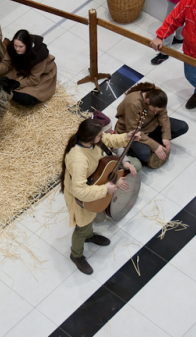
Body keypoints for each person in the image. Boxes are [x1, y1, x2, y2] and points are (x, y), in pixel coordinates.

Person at [61, 118, 139, 275]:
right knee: (81, 226)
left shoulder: (91, 141)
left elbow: (108, 139)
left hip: (94, 184)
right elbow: (80, 191)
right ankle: (76, 255)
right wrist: (105, 189)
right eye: (99, 135)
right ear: (90, 138)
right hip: (81, 197)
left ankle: (89, 235)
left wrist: (125, 137)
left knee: (90, 219)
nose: (102, 136)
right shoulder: (78, 160)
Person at [114, 83, 189, 168]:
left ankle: (151, 140)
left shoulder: (158, 94)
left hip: (150, 125)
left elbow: (163, 115)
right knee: (145, 154)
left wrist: (166, 136)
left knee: (183, 126)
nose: (156, 112)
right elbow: (133, 131)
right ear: (148, 101)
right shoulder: (133, 102)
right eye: (154, 110)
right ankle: (131, 150)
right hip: (131, 132)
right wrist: (155, 146)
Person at [0, 30, 56, 106]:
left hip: (40, 75)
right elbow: (6, 63)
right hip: (20, 70)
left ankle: (11, 91)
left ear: (27, 45)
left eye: (21, 47)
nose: (17, 49)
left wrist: (13, 84)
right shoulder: (12, 48)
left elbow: (33, 80)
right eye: (15, 45)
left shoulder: (39, 56)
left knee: (25, 98)